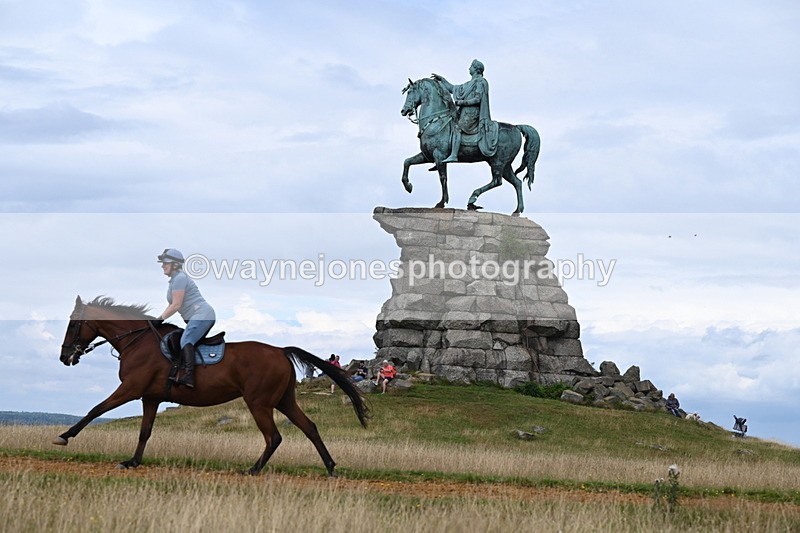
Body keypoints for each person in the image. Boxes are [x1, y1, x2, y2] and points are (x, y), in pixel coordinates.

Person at [156, 248, 215, 388]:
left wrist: (159, 320)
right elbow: (171, 305)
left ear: (175, 265)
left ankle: (189, 377)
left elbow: (176, 305)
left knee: (186, 340)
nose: (162, 265)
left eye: (165, 262)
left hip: (203, 315)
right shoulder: (174, 280)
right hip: (198, 316)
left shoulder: (180, 278)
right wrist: (159, 318)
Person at [431, 59, 498, 162]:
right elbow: (453, 89)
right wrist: (442, 80)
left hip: (472, 114)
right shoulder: (469, 84)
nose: (469, 68)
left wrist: (462, 102)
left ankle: (454, 155)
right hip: (464, 113)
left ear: (476, 69)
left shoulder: (481, 82)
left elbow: (478, 99)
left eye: (471, 66)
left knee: (456, 128)